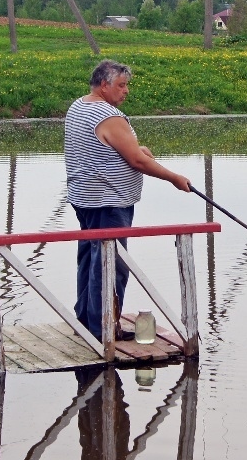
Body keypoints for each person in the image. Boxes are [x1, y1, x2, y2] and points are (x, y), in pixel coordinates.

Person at [65, 59, 191, 341]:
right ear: (103, 85)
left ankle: (87, 320)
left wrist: (136, 148)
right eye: (121, 86)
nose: (126, 91)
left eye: (127, 85)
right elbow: (135, 160)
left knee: (90, 259)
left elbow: (105, 148)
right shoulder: (108, 116)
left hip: (85, 199)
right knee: (111, 264)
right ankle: (104, 330)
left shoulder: (79, 107)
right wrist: (173, 177)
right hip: (108, 202)